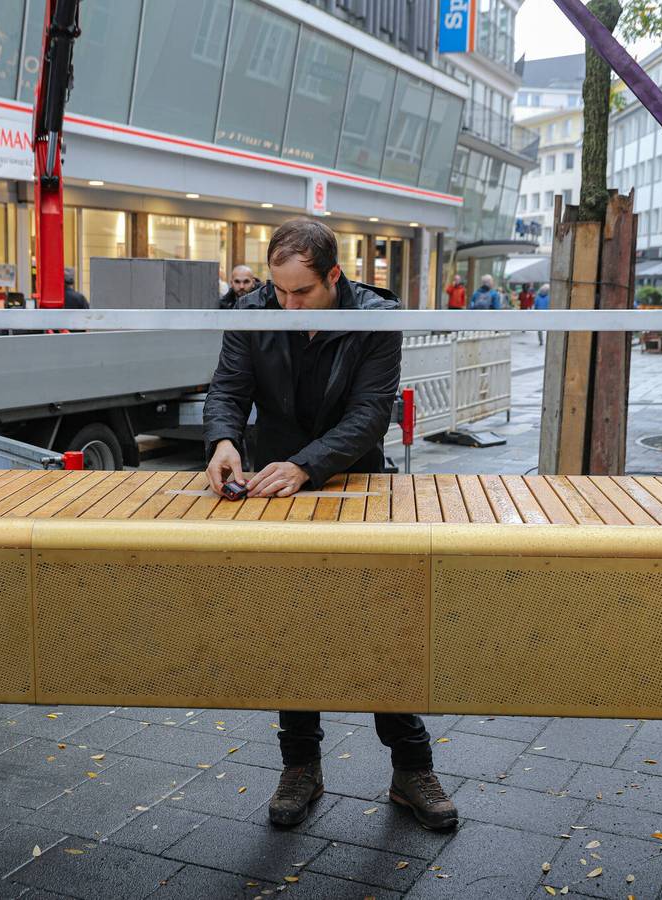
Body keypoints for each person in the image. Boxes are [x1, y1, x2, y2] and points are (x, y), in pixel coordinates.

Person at [202, 218, 458, 832]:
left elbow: (372, 414)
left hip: (356, 481)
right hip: (275, 486)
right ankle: (301, 768)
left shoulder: (376, 316)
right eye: (278, 291)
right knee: (291, 625)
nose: (286, 305)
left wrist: (306, 465)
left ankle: (411, 769)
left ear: (333, 276)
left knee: (379, 627)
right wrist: (223, 441)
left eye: (301, 293)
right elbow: (228, 390)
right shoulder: (252, 309)